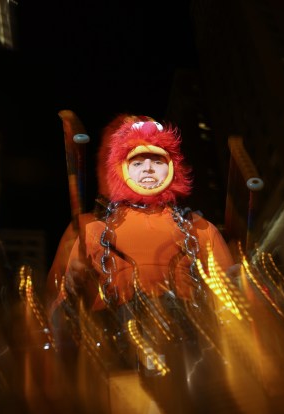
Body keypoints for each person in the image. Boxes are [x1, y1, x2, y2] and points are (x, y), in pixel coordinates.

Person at [48, 114, 237, 413]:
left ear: (172, 168)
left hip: (188, 346)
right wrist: (72, 285)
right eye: (137, 162)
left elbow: (233, 302)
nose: (148, 168)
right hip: (116, 348)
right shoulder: (93, 231)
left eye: (157, 160)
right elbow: (59, 316)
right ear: (122, 171)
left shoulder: (201, 229)